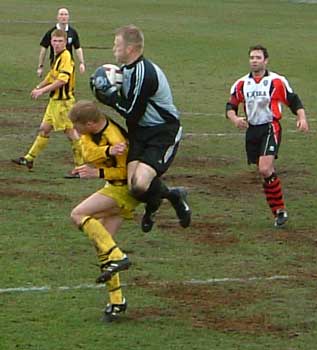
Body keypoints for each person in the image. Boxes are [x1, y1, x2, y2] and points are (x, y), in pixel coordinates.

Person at [91, 24, 191, 233]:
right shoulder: (125, 70)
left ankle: (155, 206)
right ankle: (172, 194)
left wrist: (109, 98)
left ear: (130, 49)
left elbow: (132, 112)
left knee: (140, 184)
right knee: (134, 187)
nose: (113, 49)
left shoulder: (144, 73)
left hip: (162, 132)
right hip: (139, 132)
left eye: (117, 45)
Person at [69, 100, 140, 322]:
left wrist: (98, 173)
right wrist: (106, 152)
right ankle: (117, 302)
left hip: (123, 190)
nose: (74, 130)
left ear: (89, 123)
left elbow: (124, 172)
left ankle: (119, 256)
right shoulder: (94, 133)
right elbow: (88, 155)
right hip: (113, 187)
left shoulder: (116, 137)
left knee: (78, 214)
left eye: (77, 125)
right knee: (102, 243)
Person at [226, 44, 309, 227]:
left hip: (271, 127)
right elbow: (230, 106)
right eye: (252, 58)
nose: (254, 61)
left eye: (258, 57)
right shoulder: (241, 84)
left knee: (264, 169)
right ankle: (279, 212)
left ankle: (280, 211)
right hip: (252, 131)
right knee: (266, 172)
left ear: (266, 60)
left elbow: (293, 101)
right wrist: (235, 119)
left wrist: (301, 118)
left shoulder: (277, 81)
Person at [12, 29, 83, 171]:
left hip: (63, 103)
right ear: (51, 42)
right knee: (44, 129)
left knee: (71, 133)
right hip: (55, 102)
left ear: (65, 43)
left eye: (60, 41)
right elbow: (52, 76)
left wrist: (42, 91)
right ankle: (29, 159)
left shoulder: (66, 57)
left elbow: (63, 80)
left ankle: (81, 167)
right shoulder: (57, 56)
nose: (57, 44)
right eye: (55, 41)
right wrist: (39, 86)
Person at [37, 7, 85, 77]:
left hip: (69, 64)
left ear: (68, 17)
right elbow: (44, 48)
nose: (63, 17)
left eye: (65, 15)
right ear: (57, 17)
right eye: (61, 14)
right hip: (55, 64)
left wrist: (81, 63)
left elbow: (77, 48)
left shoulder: (72, 32)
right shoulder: (51, 32)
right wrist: (40, 66)